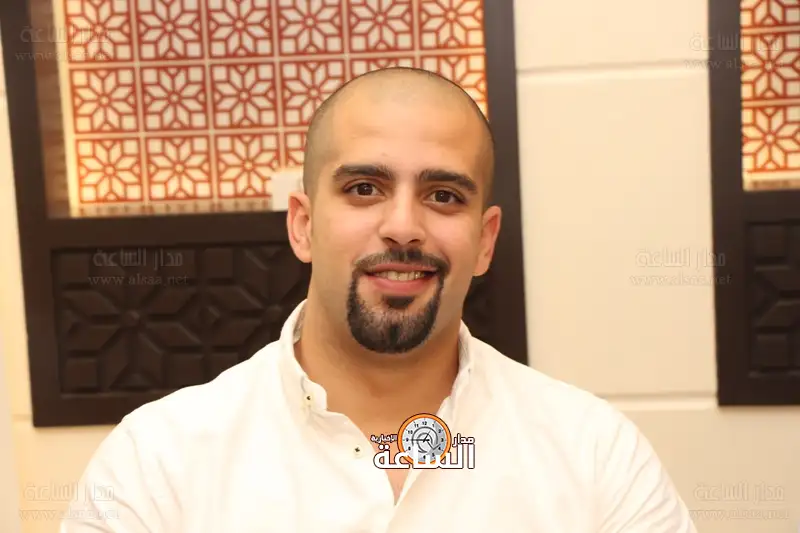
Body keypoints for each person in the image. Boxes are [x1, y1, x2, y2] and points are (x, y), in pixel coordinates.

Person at [60, 67, 697, 532]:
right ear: (303, 225)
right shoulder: (156, 466)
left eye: (443, 196)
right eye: (364, 188)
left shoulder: (595, 458)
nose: (403, 227)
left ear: (485, 241)